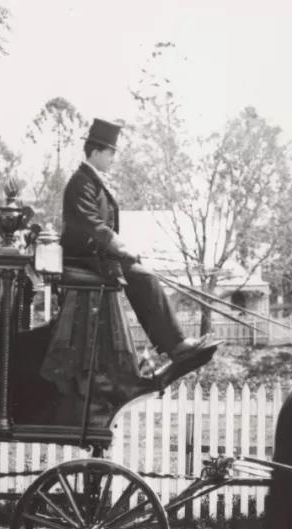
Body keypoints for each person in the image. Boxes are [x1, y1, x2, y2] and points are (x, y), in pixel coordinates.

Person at [61, 118, 218, 367]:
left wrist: (124, 252)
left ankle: (165, 346)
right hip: (84, 259)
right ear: (96, 152)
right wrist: (123, 249)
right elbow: (92, 224)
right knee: (145, 278)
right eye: (111, 153)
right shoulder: (81, 182)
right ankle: (175, 345)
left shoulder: (90, 180)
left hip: (98, 257)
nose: (114, 158)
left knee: (143, 276)